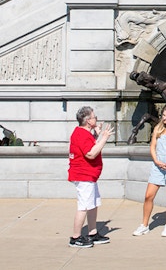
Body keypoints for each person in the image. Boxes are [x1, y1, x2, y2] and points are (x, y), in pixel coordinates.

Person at [133, 105, 166, 237]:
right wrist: (156, 160)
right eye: (163, 115)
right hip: (158, 165)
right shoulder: (158, 128)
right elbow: (152, 146)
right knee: (148, 195)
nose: (164, 118)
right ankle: (144, 225)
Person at [68, 106, 114, 248]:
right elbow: (90, 153)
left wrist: (96, 136)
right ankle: (75, 237)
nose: (96, 119)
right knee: (83, 206)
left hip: (89, 176)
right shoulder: (80, 133)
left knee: (92, 204)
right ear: (88, 121)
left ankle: (92, 232)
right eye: (94, 117)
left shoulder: (84, 133)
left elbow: (88, 147)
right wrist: (104, 138)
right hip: (83, 175)